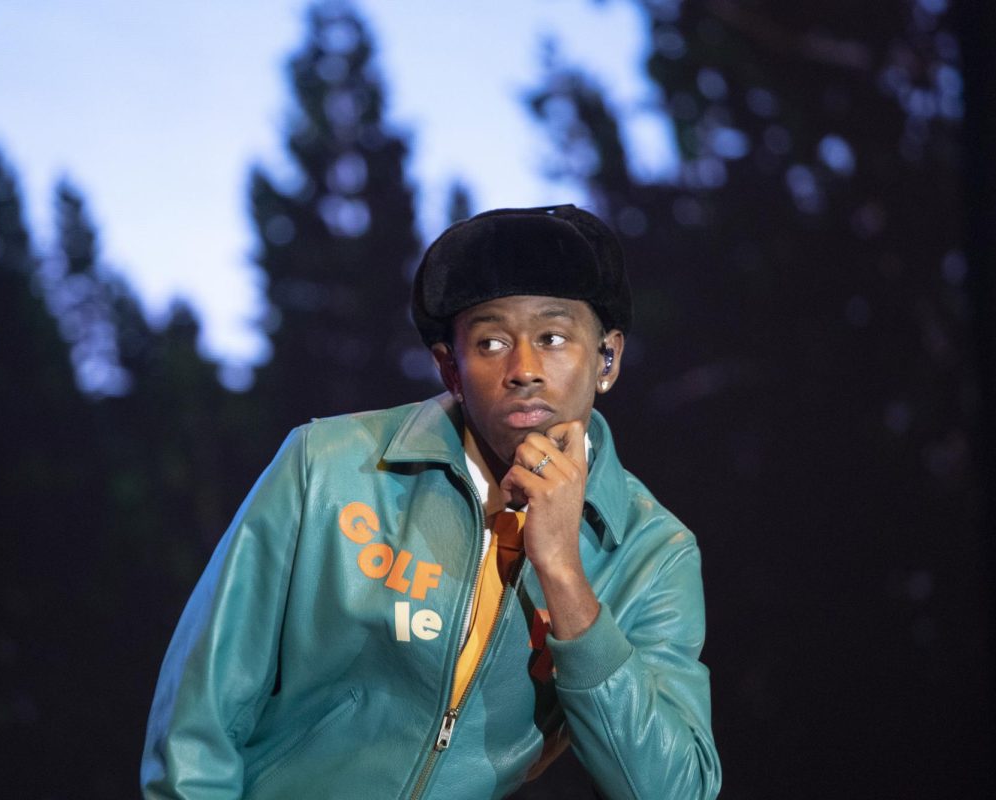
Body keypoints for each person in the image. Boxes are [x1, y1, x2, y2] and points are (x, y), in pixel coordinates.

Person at [141, 205, 721, 799]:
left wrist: (565, 575)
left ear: (607, 359)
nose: (524, 369)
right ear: (451, 366)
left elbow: (675, 791)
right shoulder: (330, 466)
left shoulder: (654, 554)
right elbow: (198, 723)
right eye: (491, 341)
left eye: (552, 338)